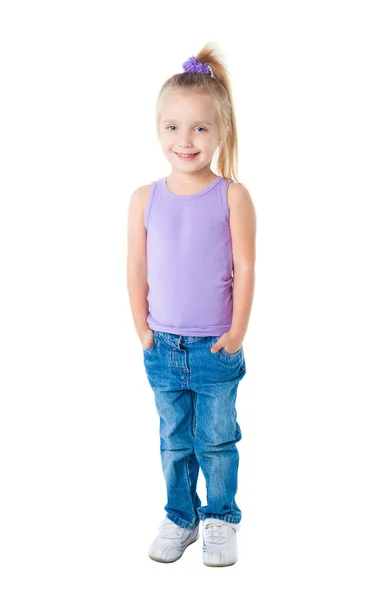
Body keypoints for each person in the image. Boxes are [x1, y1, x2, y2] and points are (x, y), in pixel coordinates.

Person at [126, 42, 256, 567]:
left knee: (217, 440)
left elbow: (244, 267)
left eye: (200, 128)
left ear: (220, 131)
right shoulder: (144, 197)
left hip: (215, 346)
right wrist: (142, 329)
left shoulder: (232, 195)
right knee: (174, 440)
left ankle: (221, 517)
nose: (186, 140)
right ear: (159, 130)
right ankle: (181, 516)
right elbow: (136, 267)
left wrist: (237, 332)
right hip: (162, 344)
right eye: (174, 127)